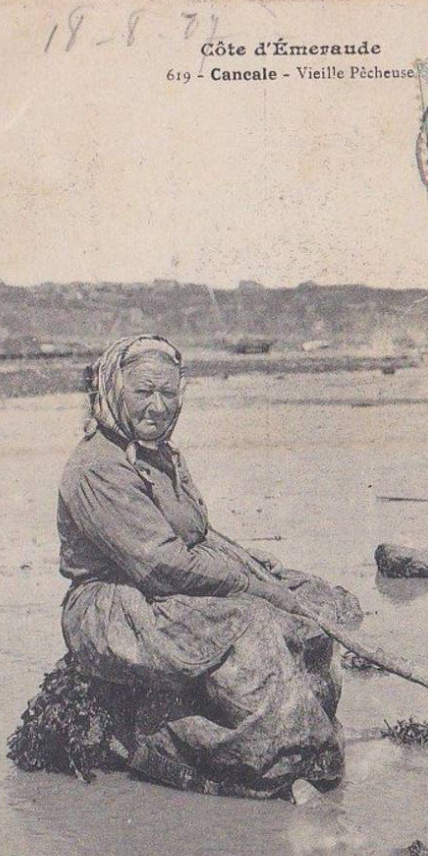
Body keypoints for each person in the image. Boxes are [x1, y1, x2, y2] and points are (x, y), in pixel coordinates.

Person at [57, 335, 357, 801]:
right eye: (143, 392)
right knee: (252, 621)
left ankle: (310, 738)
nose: (158, 406)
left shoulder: (161, 454)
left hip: (163, 583)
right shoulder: (98, 467)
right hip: (116, 608)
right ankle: (252, 760)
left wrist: (253, 563)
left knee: (310, 595)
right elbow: (157, 562)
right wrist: (250, 586)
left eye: (169, 393)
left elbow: (196, 532)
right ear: (114, 392)